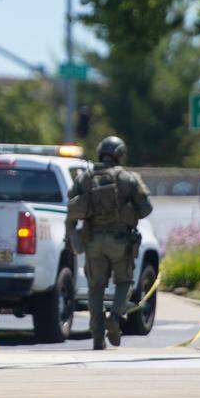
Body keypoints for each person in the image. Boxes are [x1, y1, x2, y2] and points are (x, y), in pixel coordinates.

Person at [66, 136, 152, 350]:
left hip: (92, 241)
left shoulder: (84, 178)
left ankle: (97, 338)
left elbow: (72, 206)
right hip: (120, 241)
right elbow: (146, 208)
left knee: (95, 288)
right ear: (120, 154)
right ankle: (114, 316)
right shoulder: (128, 178)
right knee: (124, 283)